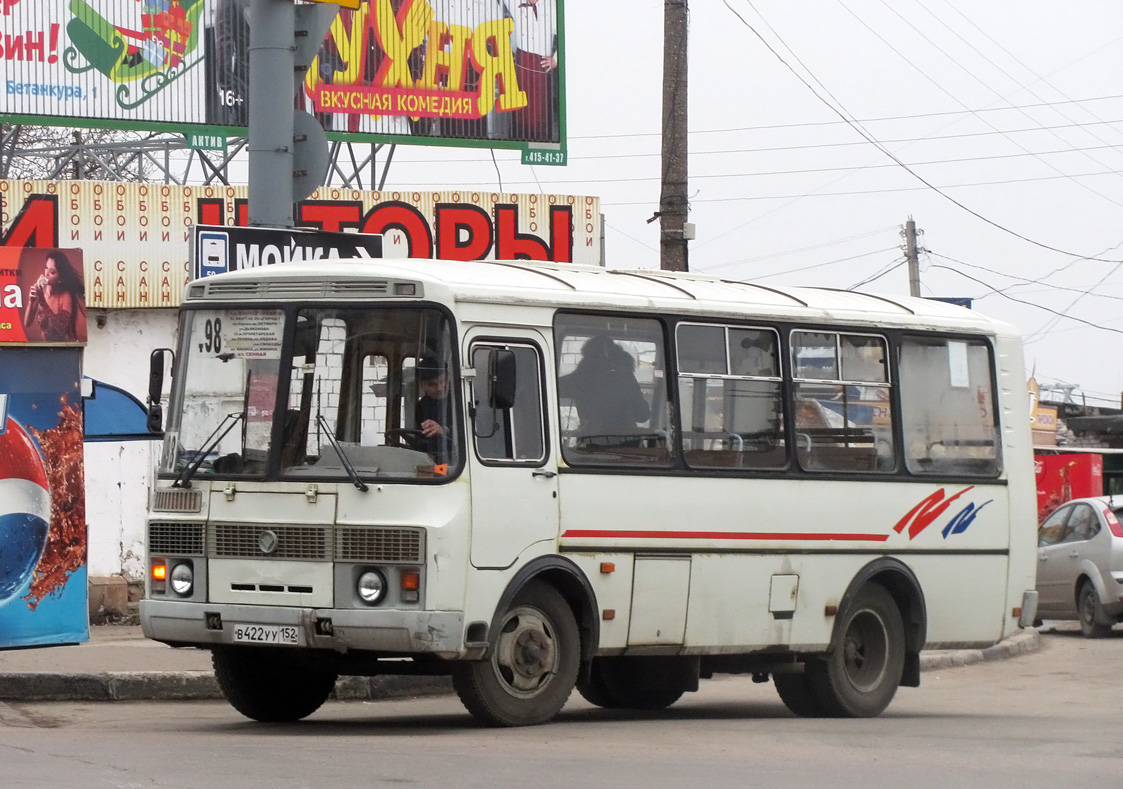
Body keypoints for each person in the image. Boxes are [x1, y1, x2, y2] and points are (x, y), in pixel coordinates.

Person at [558, 335, 650, 442]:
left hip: (592, 441)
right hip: (628, 444)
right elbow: (643, 415)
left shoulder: (583, 374)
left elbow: (555, 387)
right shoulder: (625, 376)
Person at [24, 251, 83, 342]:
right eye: (46, 268)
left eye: (52, 272)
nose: (46, 274)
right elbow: (27, 323)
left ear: (60, 278)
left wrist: (42, 301)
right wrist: (31, 302)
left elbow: (60, 329)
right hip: (44, 345)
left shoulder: (65, 296)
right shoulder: (40, 290)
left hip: (61, 347)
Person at [415, 356, 455, 461]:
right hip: (432, 463)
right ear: (422, 386)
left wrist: (444, 430)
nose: (440, 388)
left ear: (448, 377)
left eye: (443, 381)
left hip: (457, 464)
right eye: (432, 384)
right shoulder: (421, 406)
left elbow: (471, 432)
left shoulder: (463, 399)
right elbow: (419, 439)